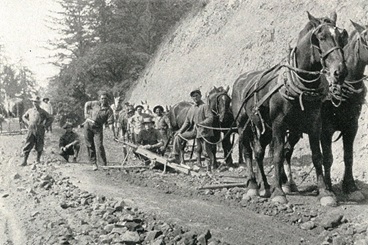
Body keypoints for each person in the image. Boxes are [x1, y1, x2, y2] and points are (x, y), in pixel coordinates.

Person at [168, 89, 216, 171]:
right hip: (195, 131)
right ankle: (176, 156)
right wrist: (180, 131)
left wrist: (202, 123)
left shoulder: (205, 106)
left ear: (200, 96)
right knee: (178, 137)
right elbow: (187, 122)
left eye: (197, 95)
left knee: (206, 150)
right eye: (193, 96)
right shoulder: (192, 108)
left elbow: (210, 118)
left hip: (204, 132)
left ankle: (209, 168)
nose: (195, 98)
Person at [84, 91, 117, 170]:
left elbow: (111, 123)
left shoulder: (109, 110)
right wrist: (85, 114)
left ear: (107, 99)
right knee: (90, 145)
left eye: (105, 98)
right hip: (88, 125)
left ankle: (103, 164)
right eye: (102, 98)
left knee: (99, 145)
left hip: (98, 127)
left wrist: (114, 134)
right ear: (100, 99)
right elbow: (86, 104)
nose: (103, 100)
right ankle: (93, 163)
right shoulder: (95, 103)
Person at [21, 95, 53, 166]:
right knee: (28, 143)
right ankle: (24, 161)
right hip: (31, 129)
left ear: (39, 103)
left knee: (39, 144)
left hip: (40, 130)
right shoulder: (30, 110)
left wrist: (45, 125)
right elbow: (23, 117)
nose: (35, 103)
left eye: (37, 102)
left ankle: (38, 160)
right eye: (34, 102)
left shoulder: (42, 111)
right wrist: (27, 122)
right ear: (32, 102)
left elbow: (51, 118)